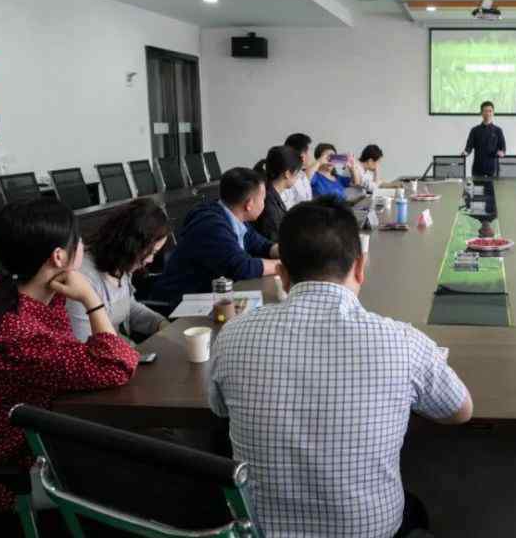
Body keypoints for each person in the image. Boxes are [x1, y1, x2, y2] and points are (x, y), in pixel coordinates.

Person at [209, 197, 473, 537]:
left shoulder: (232, 336)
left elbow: (218, 409)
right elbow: (460, 410)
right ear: (360, 267)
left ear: (284, 274)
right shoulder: (403, 342)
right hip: (370, 531)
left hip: (262, 531)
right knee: (415, 510)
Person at [0, 199, 139, 514]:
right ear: (59, 256)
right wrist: (91, 300)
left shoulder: (10, 295)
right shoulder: (16, 332)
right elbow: (115, 365)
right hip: (8, 473)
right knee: (144, 474)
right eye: (77, 241)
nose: (83, 245)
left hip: (34, 439)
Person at [153, 168, 280, 308]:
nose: (264, 203)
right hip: (181, 304)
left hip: (208, 299)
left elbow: (261, 245)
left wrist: (287, 252)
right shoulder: (211, 225)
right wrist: (283, 265)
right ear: (249, 204)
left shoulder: (232, 216)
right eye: (263, 199)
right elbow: (242, 267)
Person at [66, 198, 171, 343]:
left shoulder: (121, 264)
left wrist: (160, 323)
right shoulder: (83, 279)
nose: (151, 260)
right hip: (104, 360)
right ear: (132, 245)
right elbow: (83, 345)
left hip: (124, 353)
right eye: (151, 252)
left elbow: (128, 306)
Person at [252, 145, 302, 242]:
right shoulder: (268, 202)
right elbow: (274, 240)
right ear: (287, 174)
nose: (298, 177)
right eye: (297, 173)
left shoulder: (270, 194)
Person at [462, 100, 506, 178]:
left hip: (493, 169)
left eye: (490, 111)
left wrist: (502, 152)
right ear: (481, 113)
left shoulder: (498, 130)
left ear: (493, 113)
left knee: (493, 190)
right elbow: (468, 147)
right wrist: (465, 152)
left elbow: (503, 149)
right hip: (478, 169)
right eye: (485, 111)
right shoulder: (475, 130)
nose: (488, 113)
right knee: (477, 190)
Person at [283, 132, 315, 210]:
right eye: (309, 152)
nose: (311, 156)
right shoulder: (286, 178)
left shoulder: (302, 175)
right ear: (302, 155)